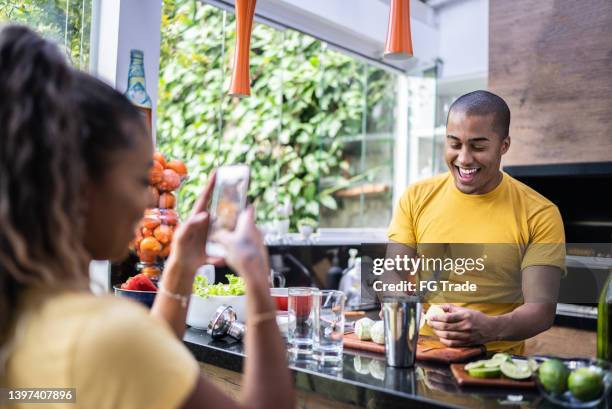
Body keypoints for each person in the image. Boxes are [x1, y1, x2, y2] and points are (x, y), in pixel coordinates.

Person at [0, 25, 295, 409]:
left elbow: (135, 376)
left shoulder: (26, 321)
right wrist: (256, 282)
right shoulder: (108, 338)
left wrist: (182, 265)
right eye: (141, 180)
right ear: (81, 185)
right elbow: (129, 356)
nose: (148, 202)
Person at [386, 90, 565, 354]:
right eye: (454, 144)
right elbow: (394, 272)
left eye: (478, 147)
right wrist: (400, 304)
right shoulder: (416, 197)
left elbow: (541, 310)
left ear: (504, 146)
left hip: (494, 366)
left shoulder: (540, 213)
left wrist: (491, 328)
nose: (464, 159)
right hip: (421, 355)